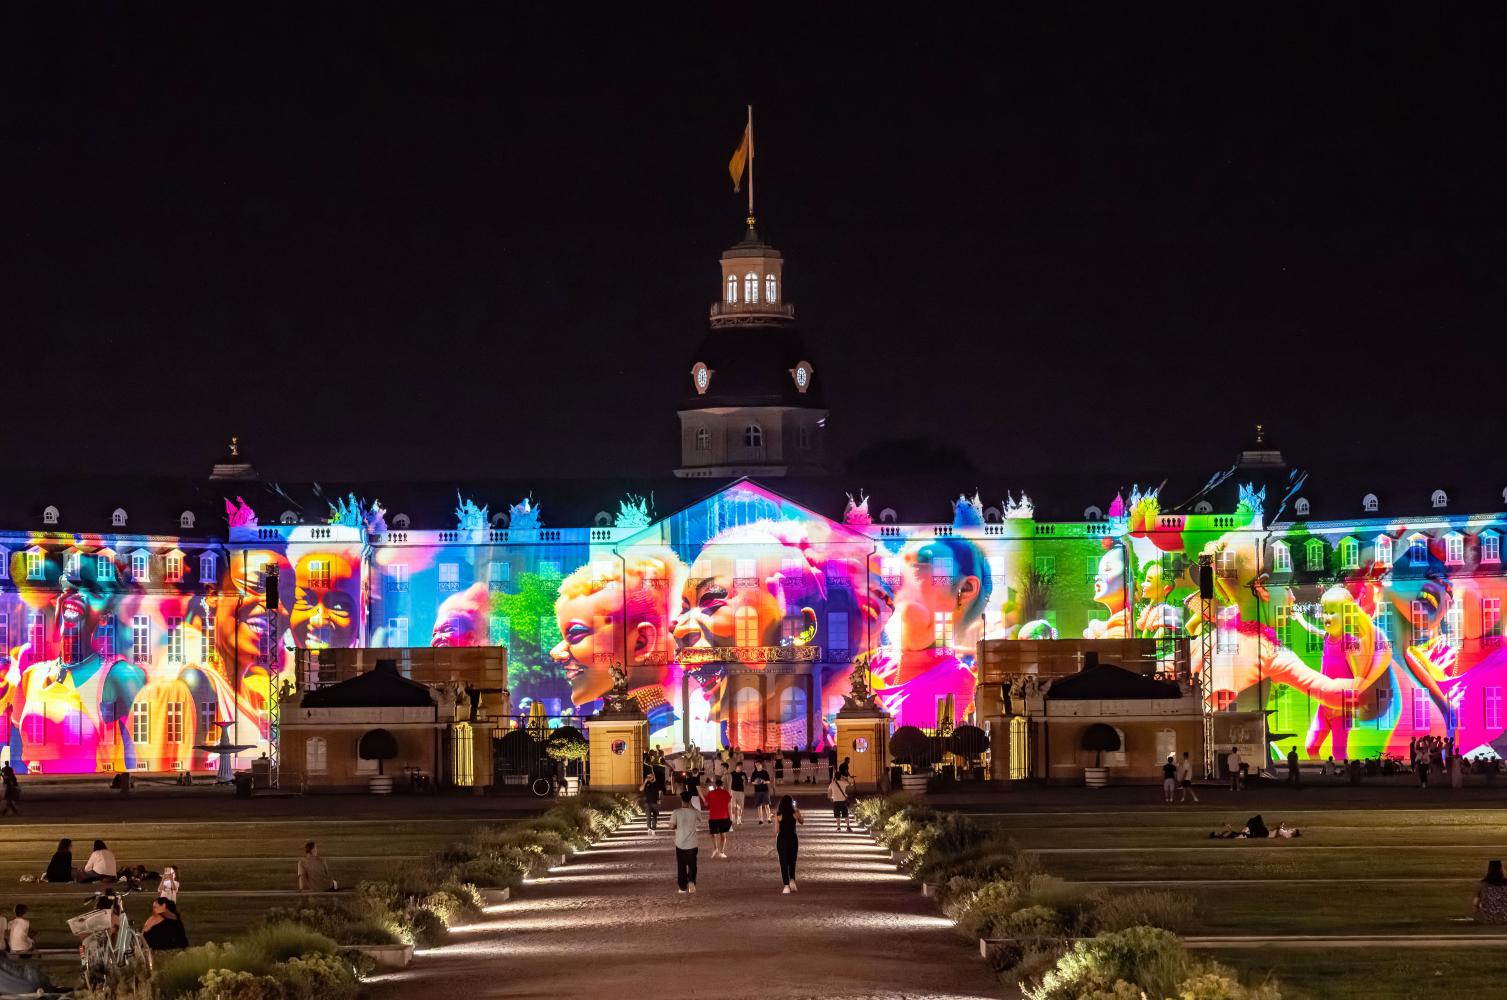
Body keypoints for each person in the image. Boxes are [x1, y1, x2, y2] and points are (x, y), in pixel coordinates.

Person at [668, 790, 700, 895]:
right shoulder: (695, 812)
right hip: (692, 843)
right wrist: (692, 806)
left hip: (680, 843)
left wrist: (678, 826)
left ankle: (682, 887)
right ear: (690, 800)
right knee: (692, 865)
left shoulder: (676, 812)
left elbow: (672, 826)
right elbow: (699, 819)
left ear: (681, 800)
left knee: (681, 866)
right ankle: (691, 881)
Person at [774, 794, 804, 893]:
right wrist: (797, 812)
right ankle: (792, 881)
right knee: (792, 861)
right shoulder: (795, 812)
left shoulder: (778, 814)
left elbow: (776, 830)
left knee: (783, 862)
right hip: (793, 838)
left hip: (782, 839)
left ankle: (786, 886)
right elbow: (802, 821)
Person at [704, 776, 733, 858]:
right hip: (724, 817)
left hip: (713, 817)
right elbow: (729, 806)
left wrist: (704, 798)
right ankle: (721, 852)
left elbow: (706, 804)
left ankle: (715, 848)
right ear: (722, 785)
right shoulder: (726, 793)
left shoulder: (711, 793)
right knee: (723, 836)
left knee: (713, 834)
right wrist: (731, 817)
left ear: (716, 786)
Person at [751, 759, 773, 824]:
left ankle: (769, 818)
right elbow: (752, 782)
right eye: (756, 765)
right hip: (757, 791)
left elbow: (768, 781)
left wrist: (764, 781)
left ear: (761, 765)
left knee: (767, 805)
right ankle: (761, 819)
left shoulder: (765, 772)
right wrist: (755, 782)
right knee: (759, 806)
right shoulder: (754, 773)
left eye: (758, 764)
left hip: (765, 791)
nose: (757, 766)